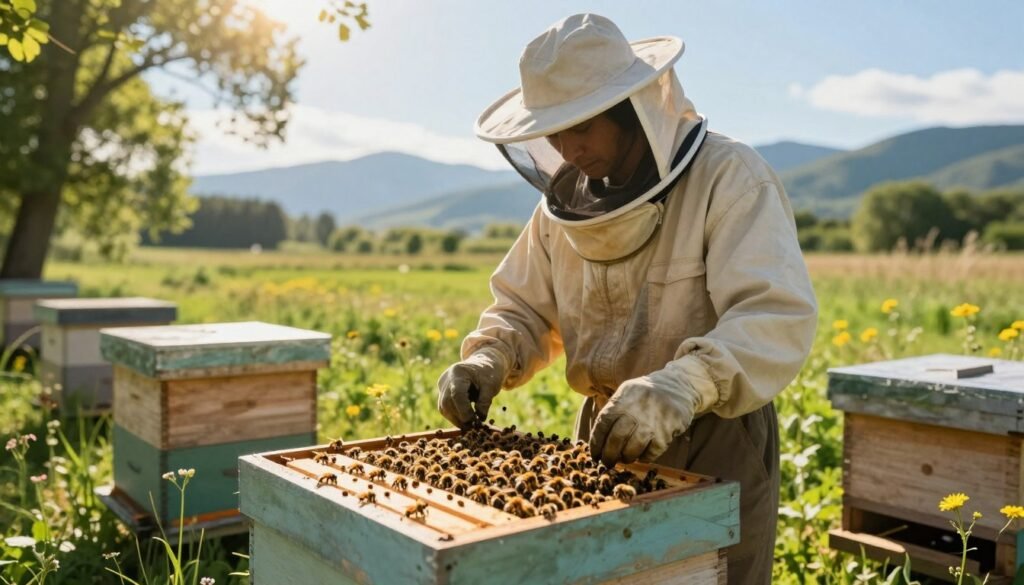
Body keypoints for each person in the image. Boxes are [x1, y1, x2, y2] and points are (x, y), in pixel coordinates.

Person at [436, 13, 817, 584]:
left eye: (580, 128)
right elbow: (524, 308)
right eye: (553, 132)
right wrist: (490, 356)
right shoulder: (560, 211)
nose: (566, 148)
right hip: (605, 432)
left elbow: (771, 314)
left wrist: (681, 385)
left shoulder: (730, 178)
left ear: (630, 109)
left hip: (714, 430)